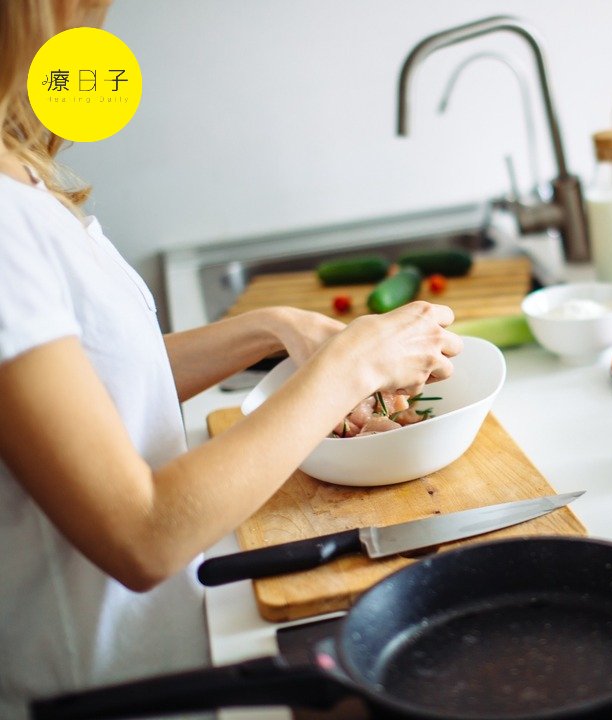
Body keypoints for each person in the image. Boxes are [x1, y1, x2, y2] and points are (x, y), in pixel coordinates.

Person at [0, 2, 463, 717]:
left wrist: (269, 329)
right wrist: (349, 367)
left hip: (168, 654)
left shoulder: (19, 175)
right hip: (98, 692)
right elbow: (141, 534)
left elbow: (95, 385)